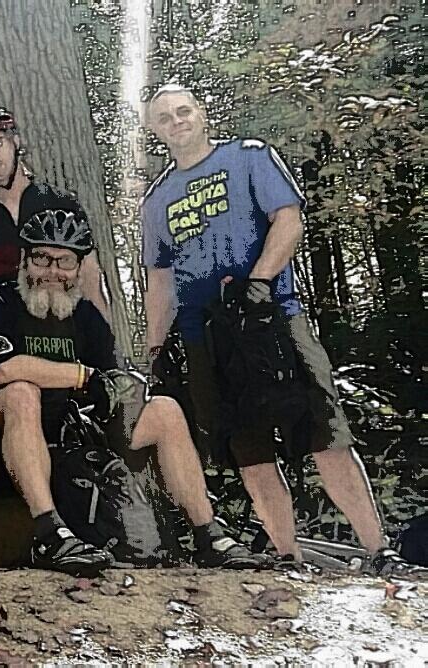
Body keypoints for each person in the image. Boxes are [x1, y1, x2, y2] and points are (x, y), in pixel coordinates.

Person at [141, 84, 418, 576]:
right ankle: (287, 556)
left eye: (183, 111)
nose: (176, 121)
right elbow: (160, 279)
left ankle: (381, 552)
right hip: (206, 335)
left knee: (325, 432)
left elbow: (288, 220)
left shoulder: (249, 158)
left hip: (273, 319)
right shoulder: (158, 198)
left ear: (201, 114)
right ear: (153, 129)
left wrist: (261, 282)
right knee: (249, 449)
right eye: (164, 117)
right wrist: (157, 344)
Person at [0, 208, 266, 575]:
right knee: (22, 392)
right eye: (42, 258)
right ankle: (49, 536)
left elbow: (113, 381)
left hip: (64, 446)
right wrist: (85, 376)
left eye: (65, 262)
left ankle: (207, 535)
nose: (53, 272)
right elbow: (8, 369)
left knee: (163, 410)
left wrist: (123, 389)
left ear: (79, 268)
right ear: (25, 260)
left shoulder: (86, 316)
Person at [0, 107, 110, 394]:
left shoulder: (61, 202)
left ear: (16, 142)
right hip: (2, 336)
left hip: (60, 329)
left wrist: (109, 348)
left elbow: (90, 278)